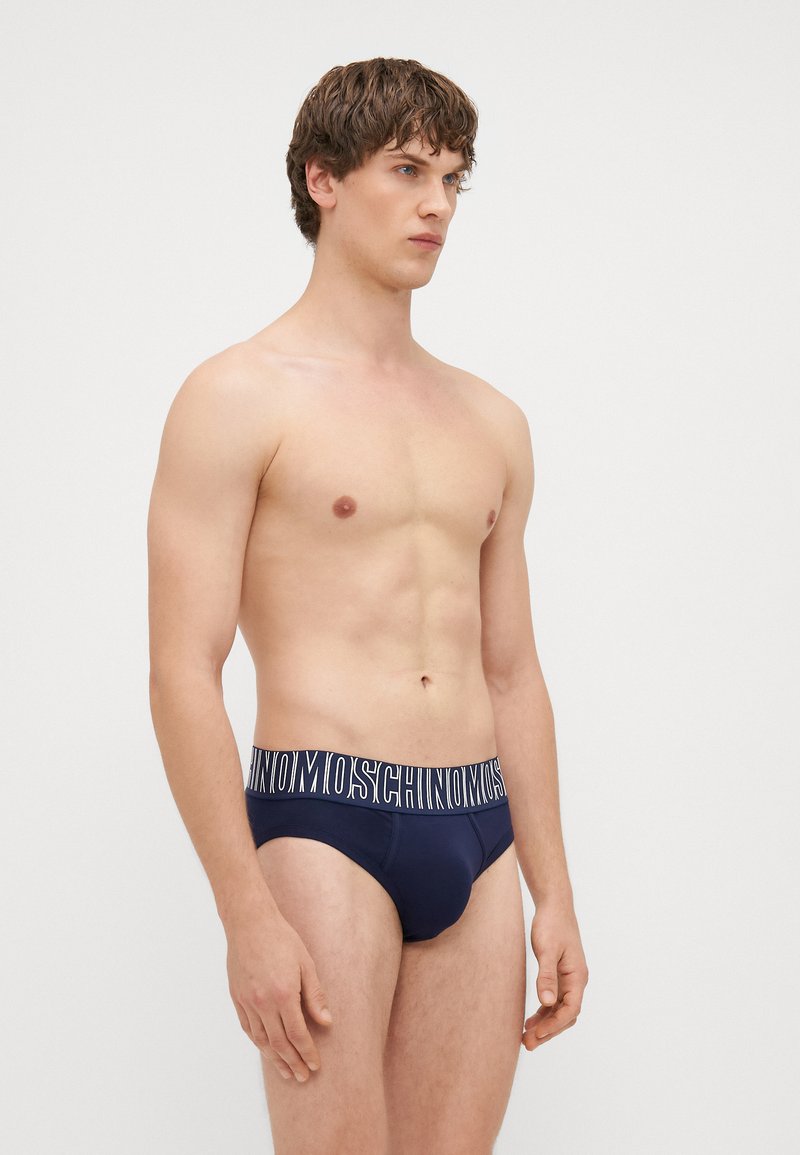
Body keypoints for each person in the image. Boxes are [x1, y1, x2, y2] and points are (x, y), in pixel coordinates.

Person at [148, 56, 588, 1155]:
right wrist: (246, 914)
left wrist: (554, 892)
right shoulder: (236, 396)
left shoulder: (490, 420)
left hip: (480, 834)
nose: (438, 204)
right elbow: (182, 668)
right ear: (324, 180)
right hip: (323, 823)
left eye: (452, 177)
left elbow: (511, 670)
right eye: (406, 170)